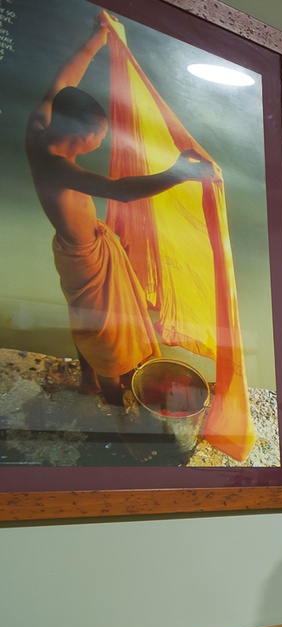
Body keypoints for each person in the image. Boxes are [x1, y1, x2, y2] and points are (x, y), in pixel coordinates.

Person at [25, 11, 218, 403]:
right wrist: (179, 173)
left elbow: (63, 82)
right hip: (84, 257)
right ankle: (112, 396)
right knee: (104, 330)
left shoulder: (39, 128)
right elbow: (120, 190)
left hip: (82, 246)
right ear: (80, 135)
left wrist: (98, 38)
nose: (102, 141)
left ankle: (87, 379)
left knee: (86, 318)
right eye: (99, 136)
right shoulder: (58, 169)